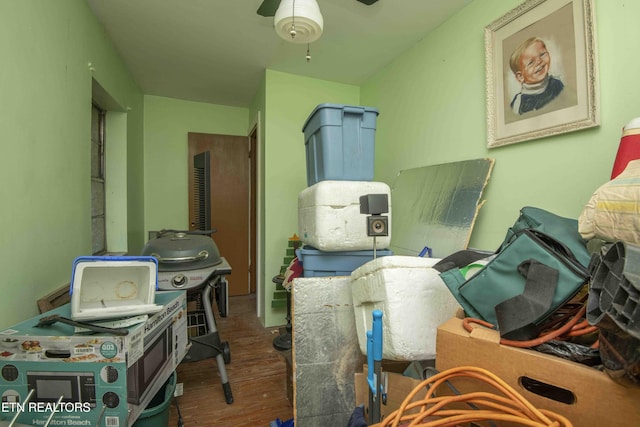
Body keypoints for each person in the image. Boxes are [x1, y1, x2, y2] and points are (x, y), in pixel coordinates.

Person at [509, 37, 564, 115]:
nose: (539, 61)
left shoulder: (557, 84)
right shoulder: (519, 103)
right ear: (520, 77)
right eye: (531, 62)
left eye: (542, 54)